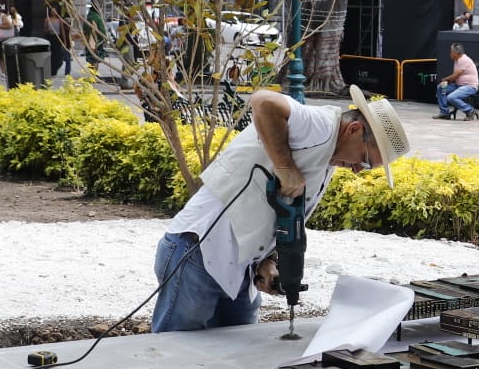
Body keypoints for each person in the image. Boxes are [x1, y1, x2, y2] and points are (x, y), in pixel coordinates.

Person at [151, 87, 411, 332]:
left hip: (239, 266)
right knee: (176, 352)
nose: (356, 170)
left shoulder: (328, 158)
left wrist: (268, 260)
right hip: (199, 251)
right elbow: (263, 101)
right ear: (353, 129)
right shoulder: (320, 126)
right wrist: (285, 168)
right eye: (364, 162)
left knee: (236, 356)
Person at [434, 43, 479, 121]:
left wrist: (445, 79)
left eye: (451, 51)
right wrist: (446, 83)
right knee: (441, 88)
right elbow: (456, 77)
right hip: (459, 85)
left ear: (455, 52)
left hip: (470, 86)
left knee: (451, 97)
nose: (450, 53)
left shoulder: (463, 60)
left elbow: (455, 75)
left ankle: (470, 111)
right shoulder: (457, 60)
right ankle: (444, 113)